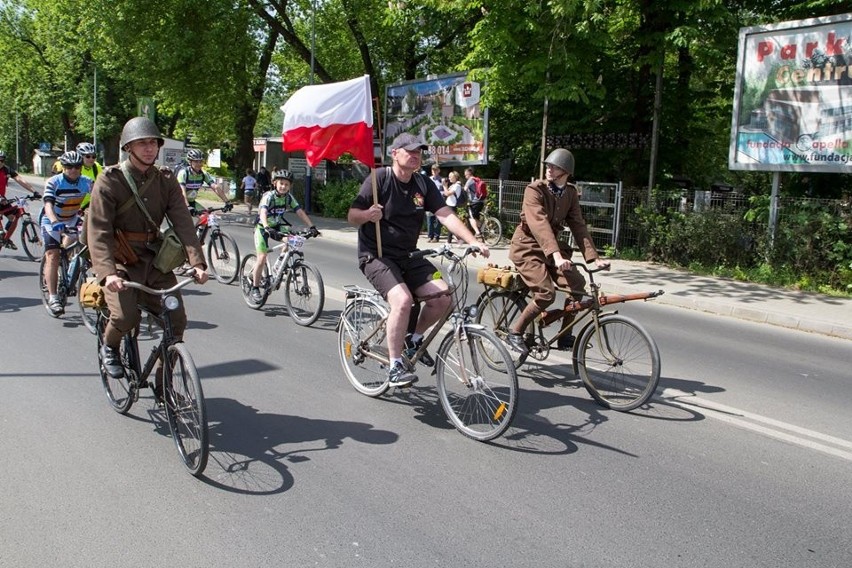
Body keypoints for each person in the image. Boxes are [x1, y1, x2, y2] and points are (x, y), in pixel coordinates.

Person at [347, 133, 489, 387]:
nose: (416, 156)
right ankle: (394, 366)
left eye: (419, 152)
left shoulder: (423, 184)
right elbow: (351, 216)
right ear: (395, 153)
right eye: (410, 151)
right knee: (402, 301)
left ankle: (413, 340)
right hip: (376, 255)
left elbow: (445, 214)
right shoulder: (379, 179)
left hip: (408, 255)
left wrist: (472, 240)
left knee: (444, 297)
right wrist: (367, 214)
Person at [86, 117, 208, 387]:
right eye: (142, 143)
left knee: (176, 322)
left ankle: (164, 382)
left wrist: (197, 263)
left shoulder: (165, 179)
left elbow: (183, 223)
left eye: (153, 142)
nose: (149, 148)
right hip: (121, 261)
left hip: (155, 261)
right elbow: (99, 231)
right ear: (129, 147)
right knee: (125, 317)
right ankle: (110, 346)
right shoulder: (110, 180)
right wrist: (107, 273)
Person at [505, 148, 609, 354]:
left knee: (577, 285)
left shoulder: (570, 193)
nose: (549, 170)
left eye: (555, 167)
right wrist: (557, 255)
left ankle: (564, 337)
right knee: (546, 293)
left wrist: (595, 258)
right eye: (548, 166)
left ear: (566, 171)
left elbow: (578, 225)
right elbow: (539, 224)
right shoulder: (534, 190)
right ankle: (514, 332)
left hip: (552, 250)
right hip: (527, 247)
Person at [250, 169, 319, 302]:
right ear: (275, 183)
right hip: (262, 227)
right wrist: (266, 227)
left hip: (277, 225)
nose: (283, 186)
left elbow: (299, 212)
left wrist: (312, 226)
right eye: (281, 183)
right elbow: (263, 212)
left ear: (290, 186)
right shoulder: (268, 196)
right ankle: (255, 287)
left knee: (291, 241)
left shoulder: (288, 197)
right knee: (262, 257)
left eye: (287, 185)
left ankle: (278, 265)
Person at [40, 151, 93, 315]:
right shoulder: (54, 182)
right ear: (63, 167)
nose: (73, 170)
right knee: (53, 255)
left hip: (72, 218)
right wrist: (55, 222)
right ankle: (53, 297)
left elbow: (102, 198)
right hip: (51, 220)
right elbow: (48, 205)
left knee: (89, 246)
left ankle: (72, 273)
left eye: (77, 166)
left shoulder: (87, 182)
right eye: (69, 167)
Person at [0, 150, 37, 249]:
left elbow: (20, 180)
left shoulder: (6, 170)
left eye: (2, 160)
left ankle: (6, 238)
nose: (0, 162)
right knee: (0, 232)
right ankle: (2, 235)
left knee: (14, 216)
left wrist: (34, 191)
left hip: (2, 200)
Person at [176, 148, 228, 214]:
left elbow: (215, 187)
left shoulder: (203, 174)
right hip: (179, 203)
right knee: (186, 223)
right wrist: (187, 206)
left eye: (200, 161)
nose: (199, 164)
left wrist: (227, 202)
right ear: (190, 162)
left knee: (206, 217)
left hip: (191, 203)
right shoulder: (183, 173)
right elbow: (182, 192)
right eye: (196, 161)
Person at [462, 167, 485, 241]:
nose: (465, 176)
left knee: (471, 218)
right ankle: (481, 228)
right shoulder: (477, 179)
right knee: (475, 217)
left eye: (465, 175)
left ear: (469, 174)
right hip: (481, 201)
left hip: (474, 202)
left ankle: (478, 232)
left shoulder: (470, 180)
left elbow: (465, 189)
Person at [442, 170, 463, 243]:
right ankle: (457, 237)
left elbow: (447, 193)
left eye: (451, 176)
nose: (449, 178)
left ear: (456, 177)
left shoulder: (457, 186)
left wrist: (444, 186)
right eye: (449, 176)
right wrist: (446, 187)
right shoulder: (453, 185)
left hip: (452, 206)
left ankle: (449, 241)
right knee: (450, 224)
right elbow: (445, 193)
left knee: (450, 224)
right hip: (448, 205)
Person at [426, 163, 442, 242]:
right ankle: (430, 236)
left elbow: (444, 191)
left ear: (439, 171)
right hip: (430, 201)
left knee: (438, 221)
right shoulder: (429, 179)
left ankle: (436, 236)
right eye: (433, 170)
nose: (434, 171)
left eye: (436, 170)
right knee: (430, 220)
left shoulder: (441, 180)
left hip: (439, 202)